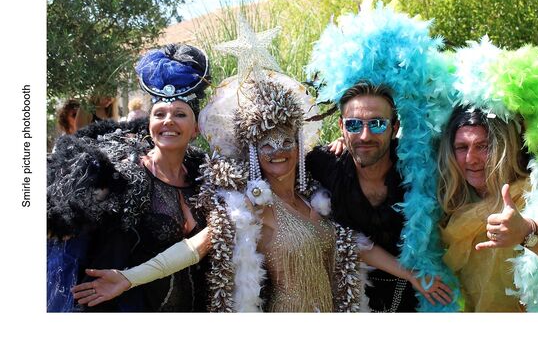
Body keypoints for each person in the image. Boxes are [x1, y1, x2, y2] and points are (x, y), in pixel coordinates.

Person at [70, 17, 453, 312]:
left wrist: (413, 275)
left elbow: (354, 244)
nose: (277, 152)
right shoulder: (249, 206)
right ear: (252, 151)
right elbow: (194, 248)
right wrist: (129, 278)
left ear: (298, 146)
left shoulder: (313, 197)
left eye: (286, 141)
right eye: (266, 144)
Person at [304, 0, 460, 312]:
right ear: (341, 127)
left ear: (395, 126)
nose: (365, 136)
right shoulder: (321, 164)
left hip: (417, 299)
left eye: (377, 124)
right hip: (349, 299)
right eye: (354, 125)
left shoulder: (422, 168)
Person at [47, 43, 211, 312]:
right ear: (150, 124)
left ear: (196, 129)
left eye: (180, 114)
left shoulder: (205, 177)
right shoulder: (124, 178)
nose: (168, 121)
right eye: (159, 114)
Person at [437, 37, 538, 312]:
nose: (471, 159)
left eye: (483, 146)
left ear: (504, 147)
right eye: (462, 147)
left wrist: (526, 231)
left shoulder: (533, 190)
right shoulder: (449, 201)